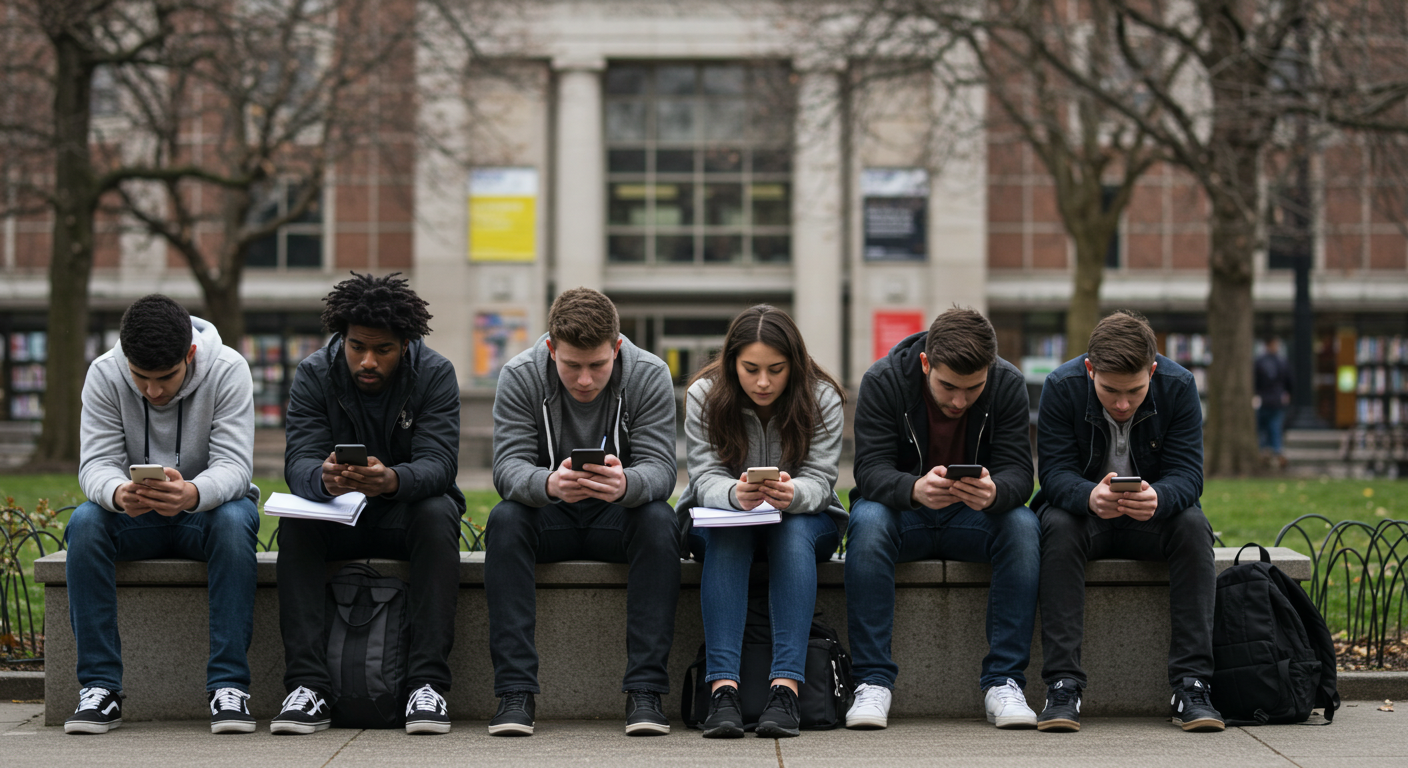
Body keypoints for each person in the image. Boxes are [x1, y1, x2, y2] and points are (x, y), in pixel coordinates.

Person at [273, 272, 464, 736]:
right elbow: (297, 460)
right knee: (295, 524)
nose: (368, 361)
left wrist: (391, 479)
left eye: (384, 350)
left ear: (406, 343)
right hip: (338, 515)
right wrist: (323, 478)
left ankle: (427, 686)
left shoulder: (435, 373)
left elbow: (440, 465)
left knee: (439, 512)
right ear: (342, 338)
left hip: (404, 512)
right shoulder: (315, 373)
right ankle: (308, 686)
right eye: (358, 347)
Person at [485, 287, 680, 737]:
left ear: (616, 346)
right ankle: (514, 692)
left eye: (598, 365)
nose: (585, 380)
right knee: (505, 519)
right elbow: (508, 467)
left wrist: (627, 483)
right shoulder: (520, 374)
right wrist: (547, 483)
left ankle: (646, 692)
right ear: (551, 348)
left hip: (618, 517)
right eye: (572, 365)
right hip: (550, 514)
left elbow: (661, 470)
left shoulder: (648, 373)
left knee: (659, 519)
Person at [68, 295, 261, 734]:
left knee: (235, 520)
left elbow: (235, 466)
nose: (153, 391)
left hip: (205, 514)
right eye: (140, 378)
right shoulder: (104, 373)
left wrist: (193, 492)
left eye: (166, 377)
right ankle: (100, 690)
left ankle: (229, 688)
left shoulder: (228, 369)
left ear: (189, 354)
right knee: (84, 522)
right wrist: (118, 493)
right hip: (137, 516)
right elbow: (95, 463)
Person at [843, 307, 1040, 730]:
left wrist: (996, 492)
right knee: (868, 521)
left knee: (1023, 526)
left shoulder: (1006, 383)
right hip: (904, 517)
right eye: (948, 386)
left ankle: (1004, 681)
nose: (958, 400)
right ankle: (872, 682)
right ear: (926, 362)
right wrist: (912, 489)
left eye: (973, 389)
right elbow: (869, 471)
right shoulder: (884, 380)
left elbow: (1021, 475)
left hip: (973, 519)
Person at [1033, 309, 1223, 732]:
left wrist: (1161, 497)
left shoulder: (1179, 386)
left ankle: (1192, 686)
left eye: (1135, 391)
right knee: (1058, 526)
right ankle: (1062, 686)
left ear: (1152, 371)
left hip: (1151, 519)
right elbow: (1052, 474)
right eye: (1109, 391)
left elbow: (1190, 476)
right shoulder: (1061, 387)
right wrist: (1088, 496)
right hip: (1086, 520)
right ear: (1089, 370)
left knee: (1194, 526)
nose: (1121, 404)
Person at [677, 305, 846, 739]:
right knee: (729, 537)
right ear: (732, 363)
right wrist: (735, 495)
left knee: (789, 533)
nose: (764, 382)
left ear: (795, 363)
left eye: (777, 369)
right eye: (751, 369)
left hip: (806, 519)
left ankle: (785, 691)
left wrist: (794, 494)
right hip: (723, 517)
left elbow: (823, 480)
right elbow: (704, 475)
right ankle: (723, 693)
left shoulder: (821, 396)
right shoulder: (704, 395)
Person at [1254, 337, 1293, 468]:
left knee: (1263, 429)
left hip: (1262, 400)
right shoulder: (1282, 362)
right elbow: (1290, 381)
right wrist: (1287, 393)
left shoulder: (1259, 362)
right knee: (1275, 428)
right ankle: (1276, 452)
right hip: (1277, 400)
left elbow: (1255, 381)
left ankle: (1265, 452)